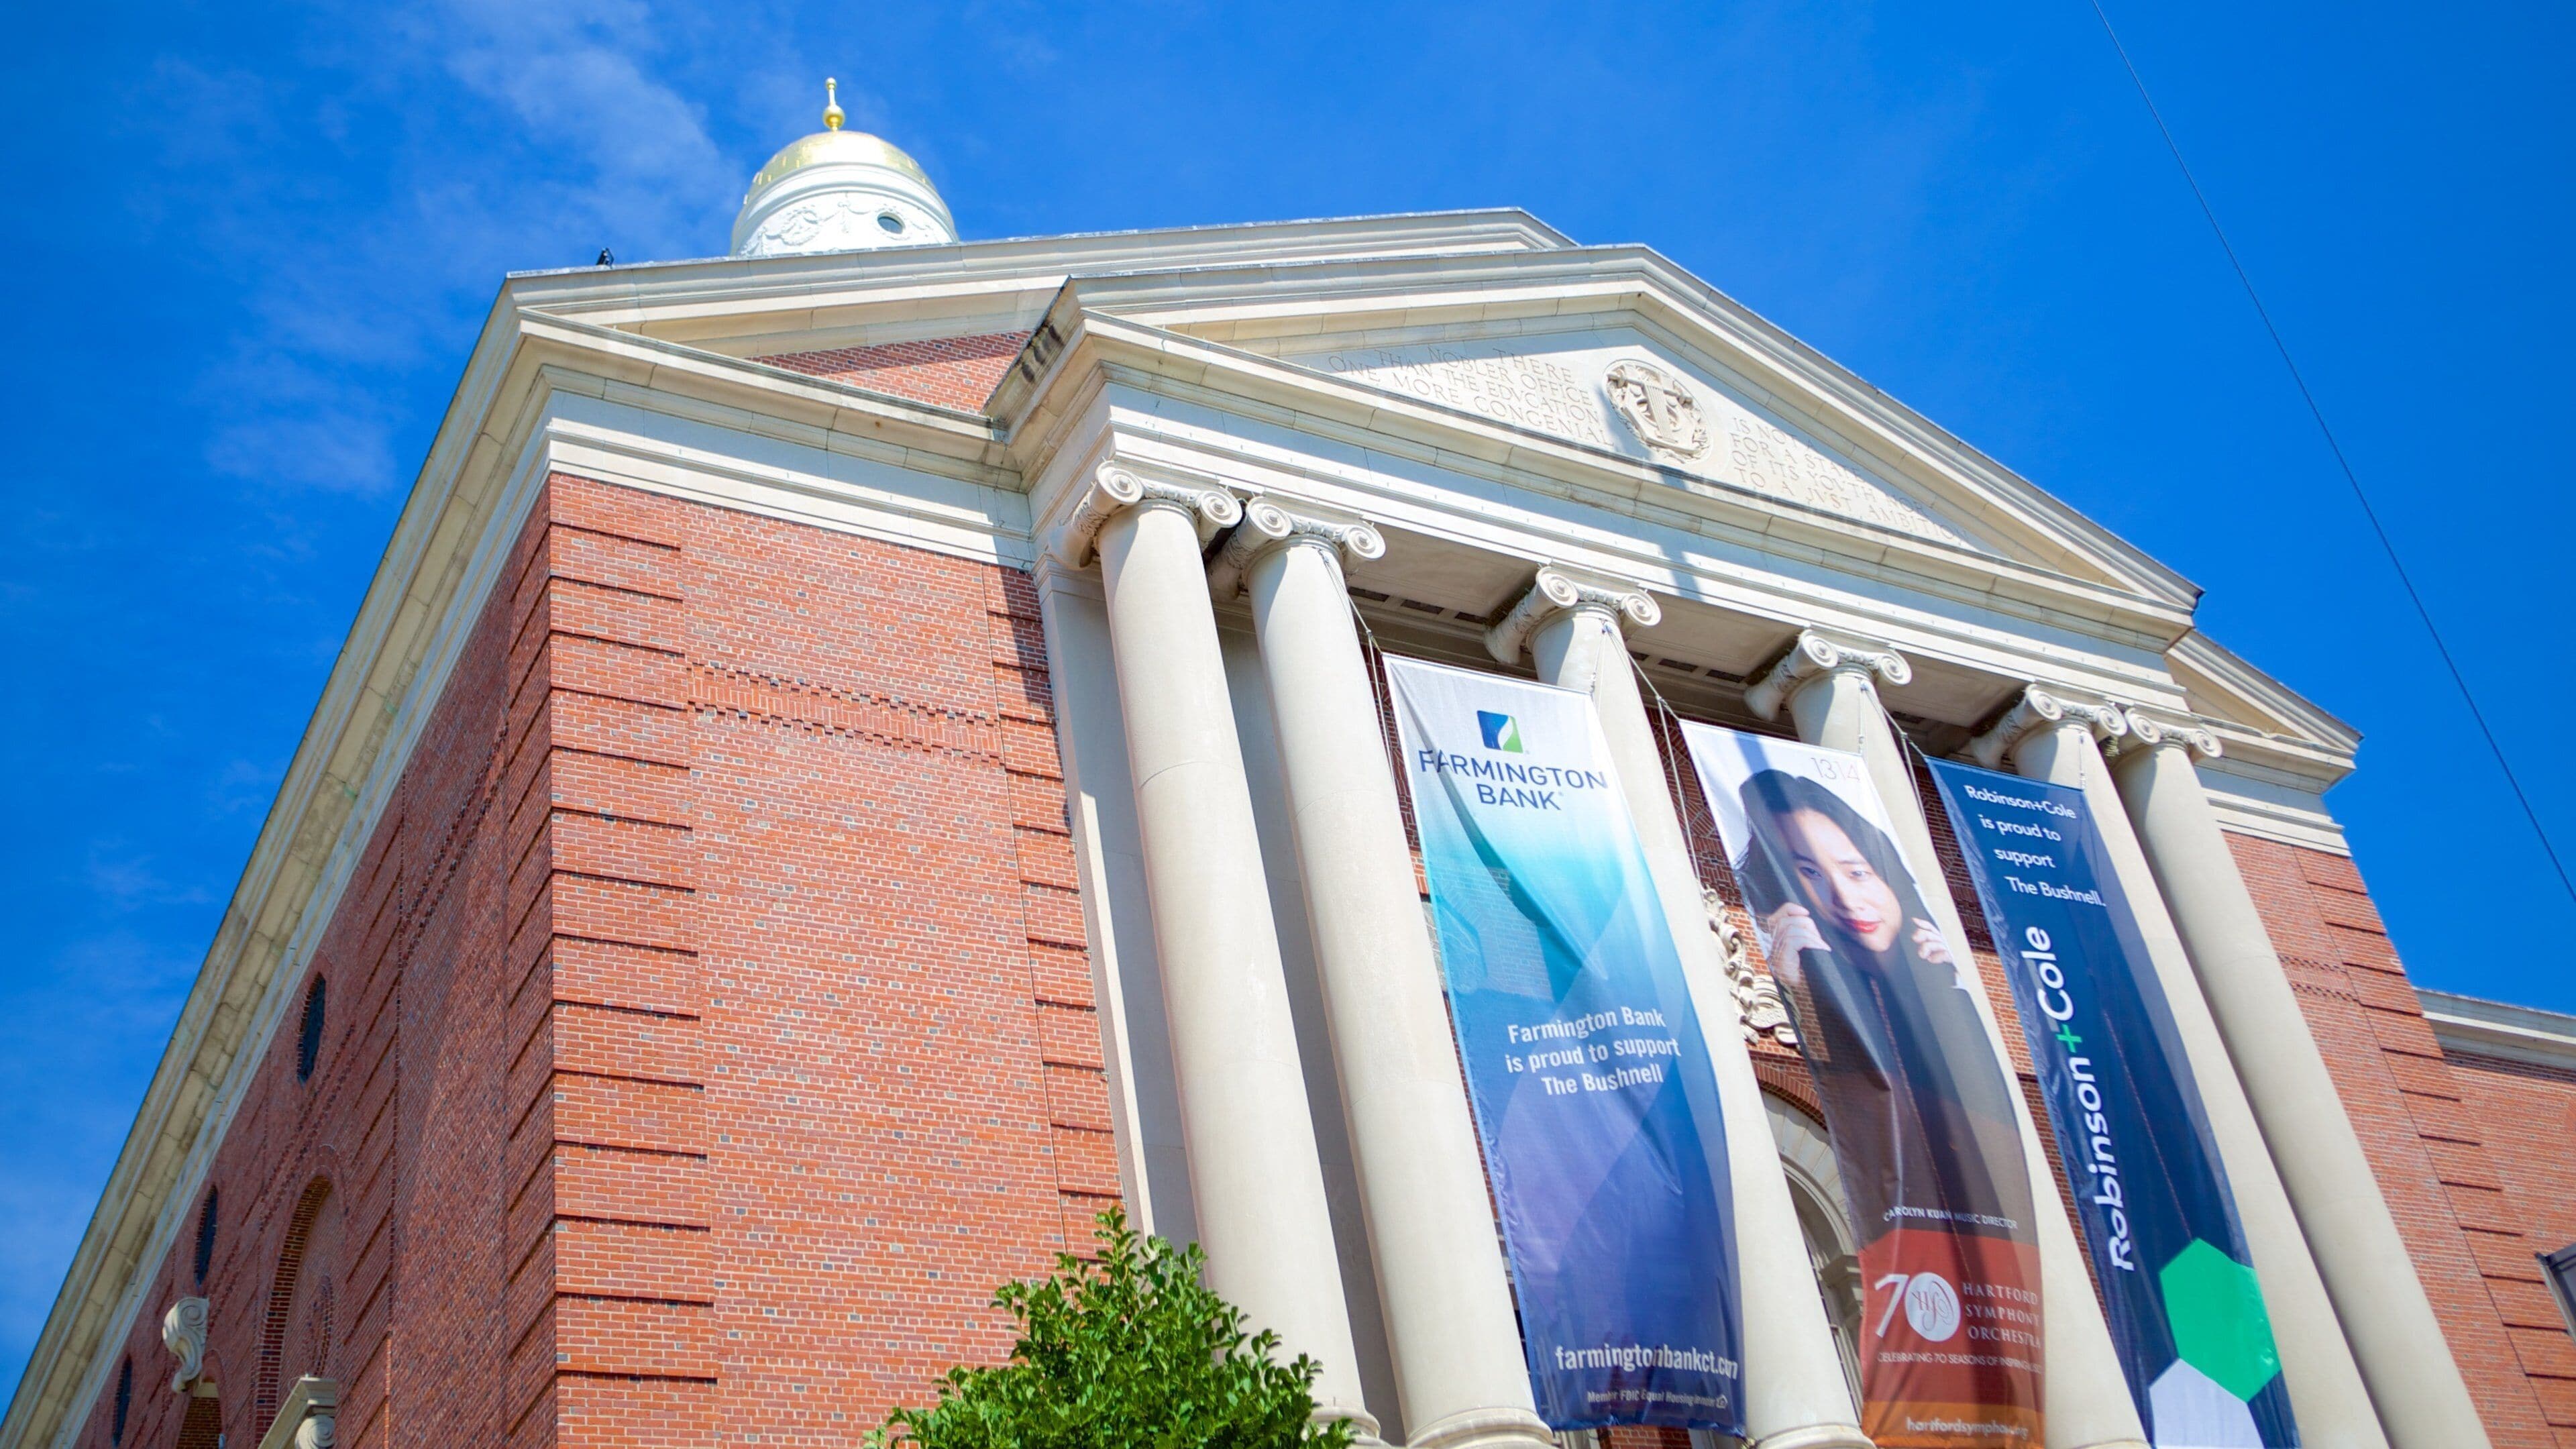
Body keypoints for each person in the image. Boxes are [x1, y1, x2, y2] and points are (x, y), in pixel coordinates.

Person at [1731, 769, 2031, 1264]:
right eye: (1807, 874)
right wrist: (1800, 994)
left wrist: (1948, 995)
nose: (1846, 898)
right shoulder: (1818, 988)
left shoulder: (1951, 1003)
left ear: (1888, 872)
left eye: (1857, 871)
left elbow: (1995, 1159)